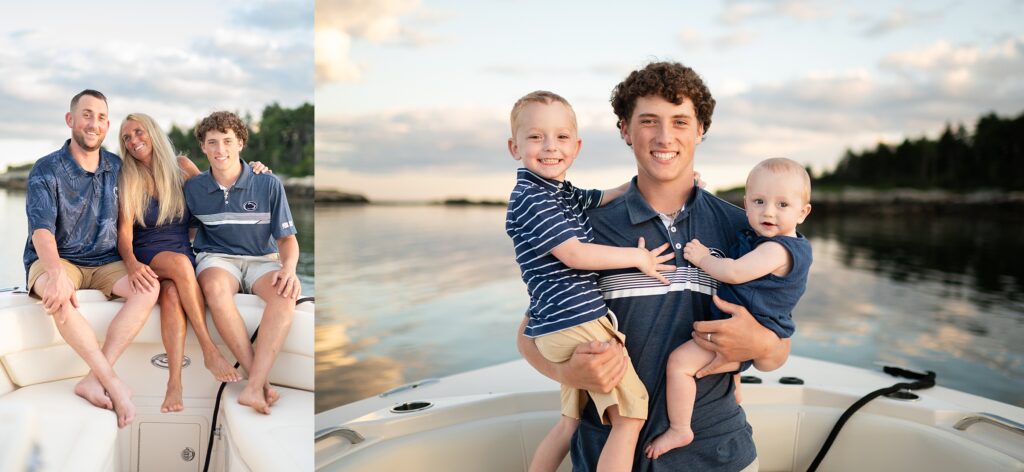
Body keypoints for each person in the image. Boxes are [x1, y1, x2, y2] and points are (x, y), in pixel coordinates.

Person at [518, 62, 791, 471]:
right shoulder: (584, 230)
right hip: (604, 451)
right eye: (648, 121)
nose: (665, 137)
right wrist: (567, 370)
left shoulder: (742, 229)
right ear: (625, 130)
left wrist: (761, 344)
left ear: (700, 130)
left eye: (680, 121)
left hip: (716, 455)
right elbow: (529, 333)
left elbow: (777, 352)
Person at [505, 91, 676, 472]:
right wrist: (639, 257)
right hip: (577, 324)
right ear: (514, 147)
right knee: (630, 417)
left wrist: (652, 182)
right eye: (536, 137)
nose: (551, 147)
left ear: (577, 145)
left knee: (570, 423)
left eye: (562, 137)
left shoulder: (559, 193)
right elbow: (576, 255)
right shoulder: (533, 199)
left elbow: (606, 196)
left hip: (555, 326)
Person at [645, 157, 813, 459]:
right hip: (745, 323)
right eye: (759, 201)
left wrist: (702, 258)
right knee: (723, 362)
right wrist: (698, 192)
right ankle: (734, 383)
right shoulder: (759, 237)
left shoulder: (777, 248)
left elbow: (734, 272)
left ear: (803, 213)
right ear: (746, 204)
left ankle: (680, 428)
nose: (768, 212)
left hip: (749, 328)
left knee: (680, 365)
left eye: (782, 205)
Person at [23, 89, 159, 428]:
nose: (93, 123)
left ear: (107, 125)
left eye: (100, 117)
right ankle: (112, 382)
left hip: (105, 261)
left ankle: (94, 378)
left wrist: (251, 170)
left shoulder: (118, 167)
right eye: (86, 114)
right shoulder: (46, 169)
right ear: (71, 120)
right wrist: (55, 273)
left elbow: (167, 175)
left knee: (149, 288)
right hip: (60, 257)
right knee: (59, 296)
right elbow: (42, 231)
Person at [116, 112, 248, 413]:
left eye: (138, 132)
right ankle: (209, 349)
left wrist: (251, 170)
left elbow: (218, 191)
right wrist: (133, 264)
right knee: (179, 265)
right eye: (127, 137)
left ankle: (174, 383)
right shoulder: (128, 177)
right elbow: (124, 236)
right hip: (148, 252)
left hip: (180, 252)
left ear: (152, 132)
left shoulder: (183, 167)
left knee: (173, 294)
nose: (134, 140)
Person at [185, 111, 300, 415]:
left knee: (286, 295)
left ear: (240, 144)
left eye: (227, 141)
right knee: (214, 288)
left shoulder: (268, 184)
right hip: (218, 257)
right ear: (203, 148)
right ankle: (257, 382)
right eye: (212, 142)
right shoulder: (193, 189)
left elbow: (287, 239)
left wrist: (288, 269)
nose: (220, 149)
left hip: (262, 259)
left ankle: (253, 386)